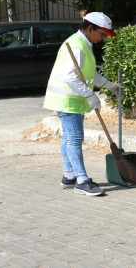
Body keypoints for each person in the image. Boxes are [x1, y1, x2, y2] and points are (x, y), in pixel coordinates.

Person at [44, 11, 122, 196]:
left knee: (69, 138)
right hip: (68, 100)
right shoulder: (77, 45)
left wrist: (109, 85)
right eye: (101, 34)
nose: (103, 38)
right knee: (75, 139)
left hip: (71, 100)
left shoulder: (84, 44)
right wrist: (89, 95)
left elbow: (88, 73)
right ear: (90, 28)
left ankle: (69, 175)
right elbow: (70, 76)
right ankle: (82, 180)